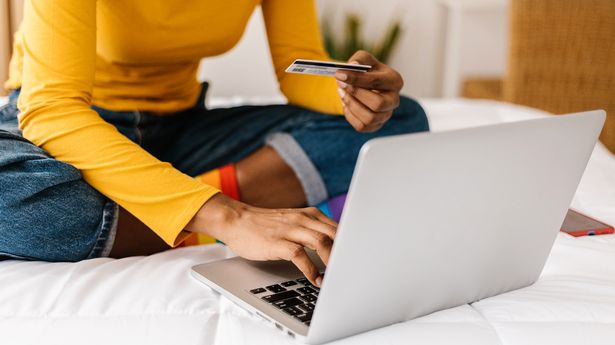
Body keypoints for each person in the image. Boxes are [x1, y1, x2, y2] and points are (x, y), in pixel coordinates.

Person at [0, 0, 428, 287]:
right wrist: (227, 216)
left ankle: (156, 210)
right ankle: (197, 213)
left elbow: (295, 62)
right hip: (63, 126)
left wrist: (349, 91)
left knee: (401, 118)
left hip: (179, 128)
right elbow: (53, 110)